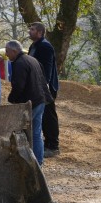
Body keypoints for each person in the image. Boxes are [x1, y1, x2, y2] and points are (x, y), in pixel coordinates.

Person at [4, 40, 50, 165]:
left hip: (30, 102)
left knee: (19, 131)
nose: (6, 54)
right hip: (40, 99)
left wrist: (11, 100)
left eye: (7, 51)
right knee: (36, 133)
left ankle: (24, 161)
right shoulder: (32, 59)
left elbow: (18, 86)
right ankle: (38, 162)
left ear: (14, 51)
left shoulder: (19, 63)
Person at [28, 21, 60, 157]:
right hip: (37, 86)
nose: (29, 31)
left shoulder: (45, 47)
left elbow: (47, 68)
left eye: (32, 29)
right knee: (42, 115)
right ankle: (45, 144)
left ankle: (53, 146)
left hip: (45, 87)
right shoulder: (34, 46)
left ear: (40, 32)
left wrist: (44, 86)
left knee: (48, 115)